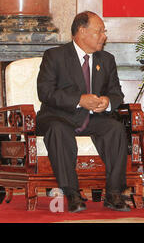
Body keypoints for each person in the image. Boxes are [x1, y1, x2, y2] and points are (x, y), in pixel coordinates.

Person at [36, 11, 130, 213]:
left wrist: (107, 102)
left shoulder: (106, 59)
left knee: (115, 128)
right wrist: (79, 100)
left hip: (93, 118)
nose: (104, 36)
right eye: (99, 31)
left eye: (104, 32)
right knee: (58, 130)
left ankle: (114, 193)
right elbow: (45, 92)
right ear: (82, 31)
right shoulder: (55, 56)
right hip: (59, 116)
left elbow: (116, 93)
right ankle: (72, 193)